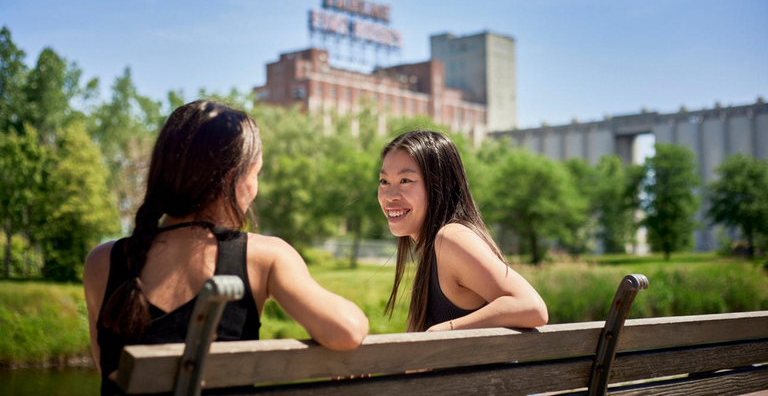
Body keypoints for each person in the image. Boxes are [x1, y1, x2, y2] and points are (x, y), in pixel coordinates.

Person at [83, 100, 368, 395]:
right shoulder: (265, 257)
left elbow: (107, 369)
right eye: (256, 174)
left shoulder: (102, 261)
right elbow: (347, 330)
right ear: (235, 179)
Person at [378, 130, 548, 332]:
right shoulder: (433, 248)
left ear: (439, 185)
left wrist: (443, 331)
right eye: (384, 182)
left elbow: (531, 307)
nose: (390, 195)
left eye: (405, 180)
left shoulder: (451, 239)